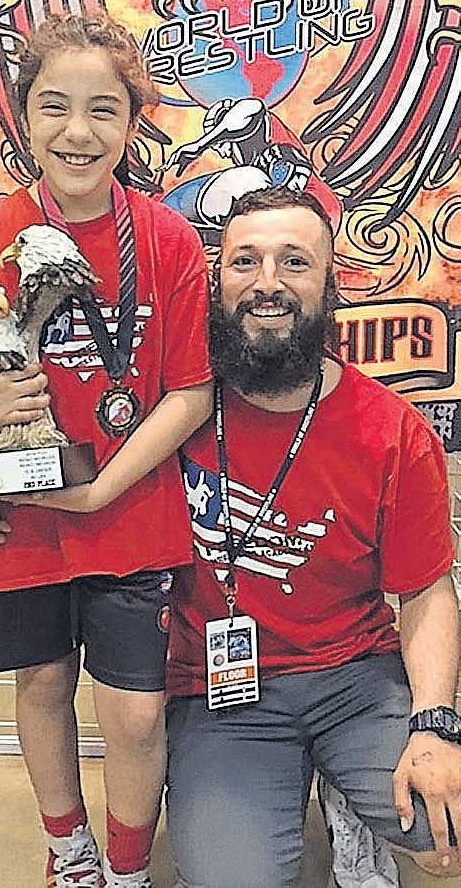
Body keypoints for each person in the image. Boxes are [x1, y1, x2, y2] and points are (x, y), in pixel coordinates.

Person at [0, 10, 212, 888]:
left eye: (104, 110)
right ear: (24, 115)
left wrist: (99, 493)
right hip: (23, 524)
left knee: (133, 714)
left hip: (132, 512)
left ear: (133, 124)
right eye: (55, 106)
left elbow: (191, 389)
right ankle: (70, 851)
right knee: (43, 687)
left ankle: (127, 868)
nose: (78, 132)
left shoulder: (166, 240)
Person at [166, 186, 461, 887]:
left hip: (355, 678)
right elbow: (67, 438)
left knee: (448, 830)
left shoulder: (391, 429)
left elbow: (424, 590)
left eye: (294, 261)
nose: (268, 283)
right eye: (245, 261)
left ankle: (351, 798)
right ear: (216, 280)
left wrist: (434, 727)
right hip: (221, 693)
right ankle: (337, 799)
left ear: (330, 285)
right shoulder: (169, 416)